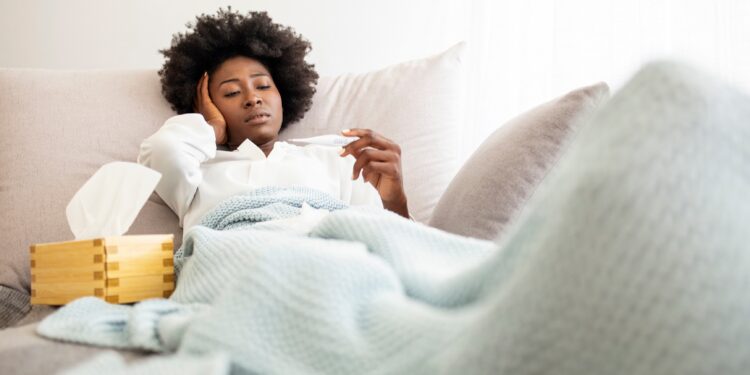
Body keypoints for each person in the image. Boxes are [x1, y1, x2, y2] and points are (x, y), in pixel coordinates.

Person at [138, 9, 410, 233]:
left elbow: (388, 241)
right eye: (231, 92)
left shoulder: (337, 160)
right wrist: (212, 129)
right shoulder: (197, 172)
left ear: (284, 95)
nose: (252, 98)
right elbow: (162, 150)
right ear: (209, 108)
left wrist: (394, 200)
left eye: (263, 86)